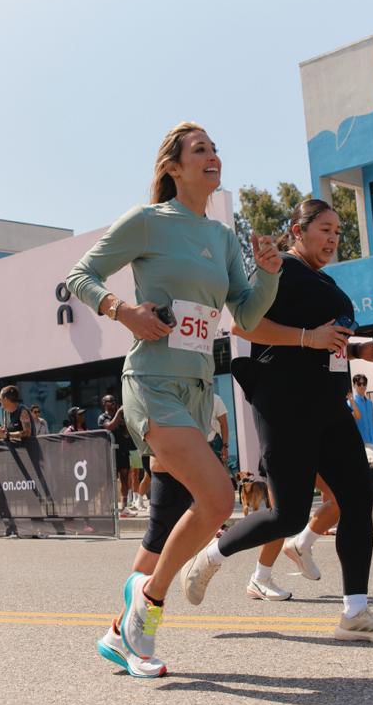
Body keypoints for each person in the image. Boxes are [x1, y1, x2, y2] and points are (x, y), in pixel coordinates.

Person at [67, 121, 281, 676]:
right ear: (173, 167)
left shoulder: (222, 238)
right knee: (215, 501)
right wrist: (124, 312)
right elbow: (81, 275)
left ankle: (126, 630)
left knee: (186, 510)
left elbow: (249, 318)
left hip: (197, 386)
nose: (213, 157)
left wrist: (271, 274)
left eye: (215, 149)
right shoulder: (148, 222)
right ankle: (148, 601)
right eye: (200, 150)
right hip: (152, 381)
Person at [179, 199, 373, 644]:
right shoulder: (279, 267)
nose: (332, 239)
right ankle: (210, 556)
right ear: (297, 230)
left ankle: (355, 612)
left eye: (338, 233)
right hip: (285, 405)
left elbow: (325, 341)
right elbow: (243, 326)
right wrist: (309, 338)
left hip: (328, 403)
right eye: (324, 228)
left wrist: (358, 350)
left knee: (357, 500)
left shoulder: (323, 279)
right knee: (287, 515)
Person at [98, 394, 137, 516]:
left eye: (114, 401)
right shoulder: (102, 417)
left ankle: (124, 508)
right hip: (110, 452)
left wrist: (125, 423)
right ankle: (105, 507)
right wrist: (119, 414)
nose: (113, 403)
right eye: (110, 401)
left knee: (125, 478)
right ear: (104, 404)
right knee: (109, 480)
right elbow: (109, 426)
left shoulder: (119, 417)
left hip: (122, 450)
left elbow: (126, 433)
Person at [348, 374, 373, 462]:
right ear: (354, 385)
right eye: (359, 384)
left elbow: (371, 420)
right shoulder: (350, 403)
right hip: (361, 442)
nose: (362, 386)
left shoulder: (370, 403)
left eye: (364, 384)